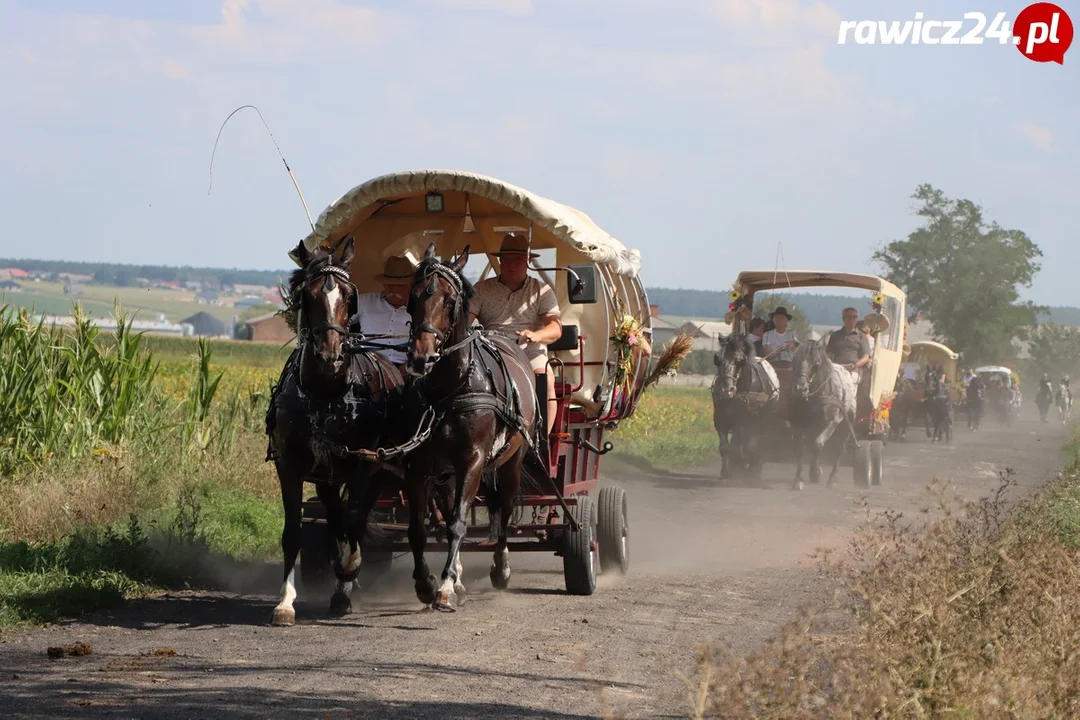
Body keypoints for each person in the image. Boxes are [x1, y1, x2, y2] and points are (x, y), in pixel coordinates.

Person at [470, 233, 563, 436]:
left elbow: (555, 328)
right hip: (489, 349)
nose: (512, 265)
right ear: (500, 261)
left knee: (545, 380)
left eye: (518, 260)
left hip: (529, 350)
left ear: (528, 261)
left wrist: (537, 335)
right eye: (508, 260)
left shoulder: (542, 290)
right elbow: (465, 320)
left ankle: (540, 443)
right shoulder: (481, 289)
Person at [348, 254, 416, 373]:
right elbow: (336, 321)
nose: (394, 290)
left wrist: (408, 368)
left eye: (400, 285)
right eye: (389, 284)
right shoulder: (364, 302)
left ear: (411, 285)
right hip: (367, 370)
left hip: (407, 371)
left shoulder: (420, 309)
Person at [825, 307, 870, 389]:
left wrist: (855, 365)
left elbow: (866, 357)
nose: (852, 319)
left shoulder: (861, 337)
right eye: (849, 317)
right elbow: (829, 355)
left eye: (854, 317)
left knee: (848, 383)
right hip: (837, 368)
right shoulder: (835, 336)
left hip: (854, 369)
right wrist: (832, 366)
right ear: (844, 319)